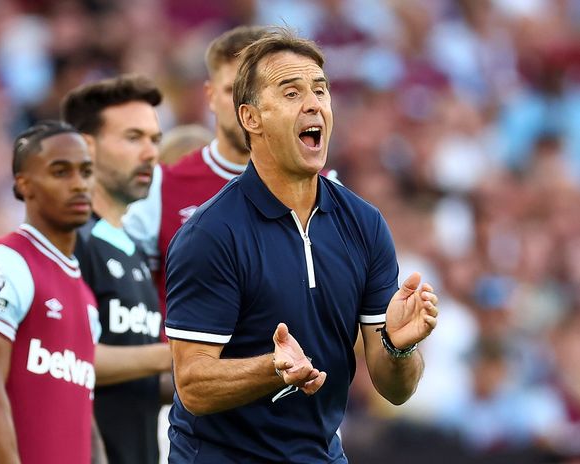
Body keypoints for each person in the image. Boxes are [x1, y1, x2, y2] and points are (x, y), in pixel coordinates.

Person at [164, 29, 440, 463]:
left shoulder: (364, 224)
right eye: (291, 93)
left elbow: (395, 390)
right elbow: (193, 385)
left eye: (320, 90)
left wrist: (399, 347)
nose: (314, 104)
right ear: (251, 118)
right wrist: (271, 369)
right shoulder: (211, 233)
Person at [0, 121, 101, 464]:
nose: (79, 184)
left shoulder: (85, 294)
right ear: (24, 184)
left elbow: (82, 416)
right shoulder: (3, 263)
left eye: (86, 171)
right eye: (61, 172)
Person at [62, 75, 173, 464]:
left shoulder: (134, 250)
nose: (150, 153)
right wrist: (178, 355)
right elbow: (67, 360)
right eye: (133, 138)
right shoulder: (72, 242)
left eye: (155, 140)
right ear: (87, 146)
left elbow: (138, 378)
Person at [124, 26, 268, 313]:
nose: (244, 106)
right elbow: (125, 303)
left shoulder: (325, 192)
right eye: (232, 90)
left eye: (258, 91)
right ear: (210, 95)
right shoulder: (160, 186)